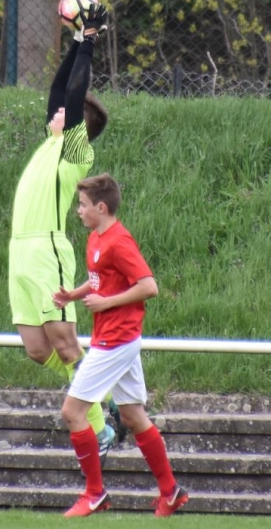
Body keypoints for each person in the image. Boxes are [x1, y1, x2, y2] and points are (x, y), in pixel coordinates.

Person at [8, 2, 119, 460]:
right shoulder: (51, 141)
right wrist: (76, 40)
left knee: (66, 344)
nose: (54, 112)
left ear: (76, 126)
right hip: (19, 254)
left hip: (46, 250)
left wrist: (89, 45)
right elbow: (60, 90)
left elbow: (72, 96)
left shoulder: (76, 152)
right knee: (37, 349)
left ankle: (101, 422)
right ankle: (103, 396)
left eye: (64, 114)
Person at [52, 174, 187, 517]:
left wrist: (107, 303)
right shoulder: (95, 238)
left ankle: (94, 493)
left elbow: (148, 286)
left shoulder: (119, 241)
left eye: (83, 205)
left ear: (101, 207)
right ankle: (171, 492)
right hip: (116, 338)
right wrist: (73, 295)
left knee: (72, 413)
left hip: (116, 339)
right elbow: (100, 280)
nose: (78, 210)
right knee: (133, 416)